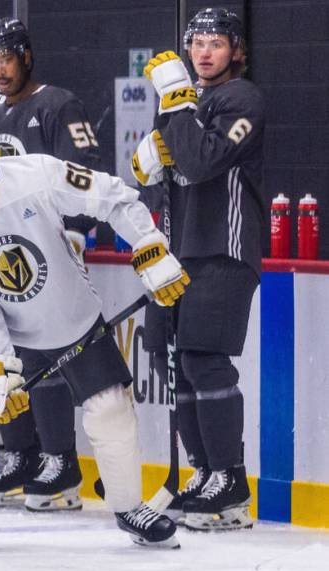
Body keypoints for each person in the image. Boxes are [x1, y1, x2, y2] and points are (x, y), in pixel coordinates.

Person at [0, 107, 186, 550]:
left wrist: (150, 247)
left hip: (66, 315)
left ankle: (129, 507)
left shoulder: (36, 174)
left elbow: (114, 196)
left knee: (110, 410)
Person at [0, 17, 103, 509]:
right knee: (11, 358)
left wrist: (77, 235)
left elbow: (86, 175)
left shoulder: (58, 105)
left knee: (50, 359)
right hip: (4, 260)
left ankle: (61, 461)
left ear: (26, 57)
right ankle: (22, 452)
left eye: (6, 58)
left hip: (52, 251)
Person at [132, 8, 262, 531]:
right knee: (182, 365)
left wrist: (176, 105)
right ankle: (205, 473)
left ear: (236, 51)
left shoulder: (243, 99)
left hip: (223, 250)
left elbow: (202, 161)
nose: (205, 52)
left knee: (206, 361)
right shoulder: (180, 104)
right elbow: (163, 177)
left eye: (216, 43)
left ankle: (230, 480)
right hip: (180, 253)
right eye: (197, 42)